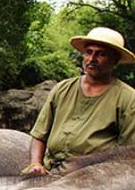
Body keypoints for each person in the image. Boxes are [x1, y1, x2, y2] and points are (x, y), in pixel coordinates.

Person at [26, 27, 135, 175]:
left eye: (101, 54)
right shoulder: (62, 89)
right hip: (49, 170)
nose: (92, 59)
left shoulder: (128, 98)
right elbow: (39, 134)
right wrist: (36, 163)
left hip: (93, 176)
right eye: (89, 52)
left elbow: (127, 153)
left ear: (114, 60)